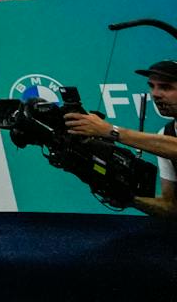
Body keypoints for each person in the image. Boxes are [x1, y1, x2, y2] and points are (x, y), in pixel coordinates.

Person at [63, 59, 177, 217]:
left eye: (166, 87)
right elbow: (171, 207)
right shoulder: (165, 134)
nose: (156, 94)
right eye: (152, 86)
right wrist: (128, 198)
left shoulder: (166, 141)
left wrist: (110, 130)